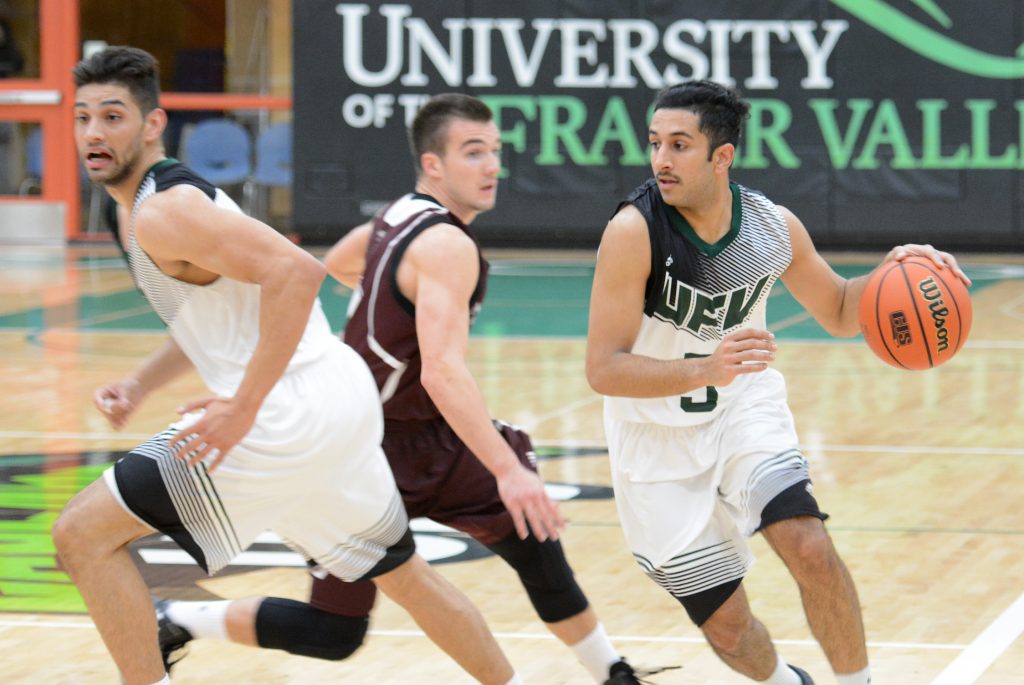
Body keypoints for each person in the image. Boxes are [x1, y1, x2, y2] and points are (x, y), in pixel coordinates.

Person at [51, 47, 525, 685]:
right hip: (336, 399)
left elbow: (298, 272)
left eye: (112, 116)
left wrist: (244, 404)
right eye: (83, 117)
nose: (94, 133)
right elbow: (218, 318)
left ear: (153, 124)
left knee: (82, 535)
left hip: (286, 412)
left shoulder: (164, 209)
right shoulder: (135, 208)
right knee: (403, 574)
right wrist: (140, 382)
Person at [153, 93, 650, 685]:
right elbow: (442, 373)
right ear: (433, 164)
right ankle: (177, 617)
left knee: (535, 540)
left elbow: (338, 263)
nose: (491, 166)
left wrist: (387, 306)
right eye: (473, 153)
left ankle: (612, 673)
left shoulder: (395, 216)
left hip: (426, 437)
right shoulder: (447, 244)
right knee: (333, 632)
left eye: (494, 152)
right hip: (366, 450)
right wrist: (507, 469)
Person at [584, 80, 971, 685]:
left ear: (722, 156)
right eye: (655, 142)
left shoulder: (770, 227)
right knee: (729, 628)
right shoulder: (634, 232)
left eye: (680, 145)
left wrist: (897, 267)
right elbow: (603, 368)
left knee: (810, 548)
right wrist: (705, 367)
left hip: (742, 410)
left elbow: (843, 310)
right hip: (653, 441)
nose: (661, 159)